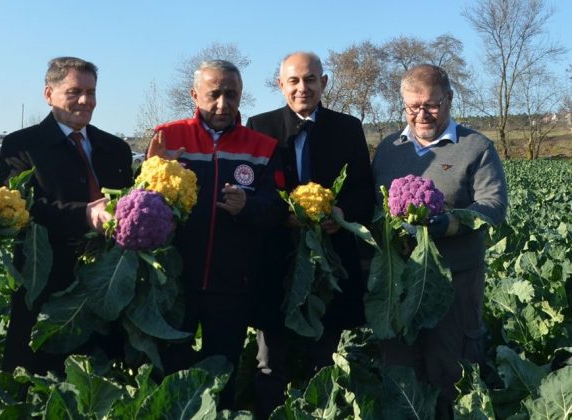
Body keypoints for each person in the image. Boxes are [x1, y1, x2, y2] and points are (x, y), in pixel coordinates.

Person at [147, 59, 287, 409]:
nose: (223, 104)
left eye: (232, 95)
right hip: (173, 281)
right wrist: (149, 171)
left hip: (231, 285)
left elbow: (277, 209)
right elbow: (139, 203)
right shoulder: (167, 136)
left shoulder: (262, 147)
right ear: (195, 94)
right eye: (214, 95)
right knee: (168, 373)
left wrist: (248, 207)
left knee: (219, 376)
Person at [372, 64, 507, 418]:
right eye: (413, 106)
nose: (421, 114)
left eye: (431, 105)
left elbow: (492, 207)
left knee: (452, 372)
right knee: (400, 373)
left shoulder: (475, 147)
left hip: (454, 283)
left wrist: (447, 223)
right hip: (400, 283)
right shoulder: (388, 149)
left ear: (448, 99)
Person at [246, 51, 375, 417]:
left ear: (324, 82)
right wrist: (280, 215)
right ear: (281, 84)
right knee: (270, 358)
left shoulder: (347, 127)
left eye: (310, 79)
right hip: (278, 260)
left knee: (327, 356)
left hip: (332, 262)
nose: (303, 88)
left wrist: (341, 212)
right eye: (294, 81)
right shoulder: (260, 126)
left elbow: (364, 188)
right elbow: (254, 190)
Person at [0, 57, 133, 375]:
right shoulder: (22, 147)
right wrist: (85, 216)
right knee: (39, 382)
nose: (86, 101)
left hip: (105, 285)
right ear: (49, 94)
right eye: (74, 92)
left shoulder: (116, 148)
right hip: (46, 285)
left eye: (91, 92)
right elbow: (22, 208)